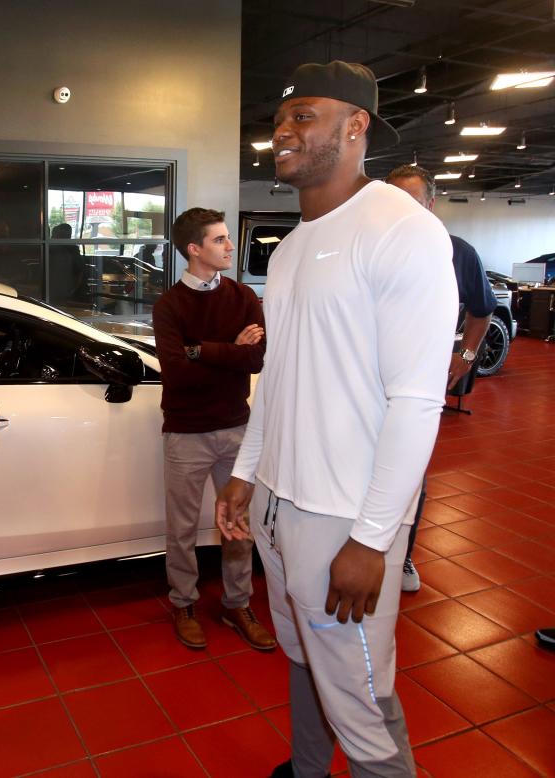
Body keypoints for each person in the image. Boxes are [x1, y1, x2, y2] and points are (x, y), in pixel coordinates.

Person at [215, 62, 457, 778]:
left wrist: (373, 540)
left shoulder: (400, 231)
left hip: (343, 521)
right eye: (280, 118)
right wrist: (245, 475)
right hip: (279, 508)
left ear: (357, 128)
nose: (283, 132)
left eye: (305, 117)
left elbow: (417, 402)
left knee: (362, 692)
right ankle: (309, 769)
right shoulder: (289, 250)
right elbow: (281, 382)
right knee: (301, 657)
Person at [153, 207, 276, 652]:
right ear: (194, 249)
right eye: (220, 240)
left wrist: (198, 351)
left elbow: (257, 360)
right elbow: (176, 373)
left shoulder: (243, 296)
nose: (229, 246)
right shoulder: (169, 305)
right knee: (182, 528)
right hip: (185, 430)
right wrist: (229, 350)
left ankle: (237, 603)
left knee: (237, 522)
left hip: (235, 428)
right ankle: (183, 603)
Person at [385, 164, 497, 592]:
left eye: (410, 201)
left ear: (430, 203)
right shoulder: (368, 245)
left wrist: (464, 358)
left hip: (420, 387)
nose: (399, 211)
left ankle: (403, 556)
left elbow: (482, 312)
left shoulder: (458, 253)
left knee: (411, 472)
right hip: (365, 380)